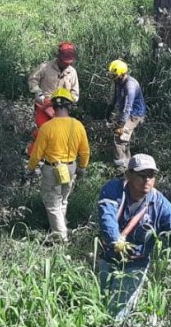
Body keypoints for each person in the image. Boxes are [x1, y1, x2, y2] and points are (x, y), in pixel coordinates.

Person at [98, 154, 171, 321]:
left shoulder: (160, 204)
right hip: (108, 256)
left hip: (136, 264)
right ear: (129, 175)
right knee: (100, 300)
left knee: (118, 310)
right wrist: (116, 241)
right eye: (142, 175)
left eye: (151, 175)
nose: (147, 180)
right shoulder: (114, 190)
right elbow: (107, 218)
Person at [27, 87, 90, 243]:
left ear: (53, 106)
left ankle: (61, 238)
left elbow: (37, 153)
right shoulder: (78, 125)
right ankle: (61, 227)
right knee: (63, 199)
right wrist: (82, 167)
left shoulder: (47, 128)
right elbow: (85, 151)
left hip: (51, 169)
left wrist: (30, 168)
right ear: (69, 106)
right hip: (71, 167)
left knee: (52, 202)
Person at [26, 42, 80, 156]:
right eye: (64, 63)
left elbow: (75, 93)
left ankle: (52, 156)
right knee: (42, 131)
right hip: (44, 104)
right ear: (58, 57)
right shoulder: (45, 67)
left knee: (59, 133)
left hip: (62, 107)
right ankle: (31, 154)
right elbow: (32, 80)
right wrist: (38, 92)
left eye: (68, 64)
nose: (66, 65)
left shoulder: (72, 72)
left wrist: (69, 100)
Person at [105, 59, 147, 169]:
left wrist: (121, 124)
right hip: (126, 112)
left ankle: (120, 168)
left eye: (115, 75)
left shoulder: (130, 86)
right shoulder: (118, 82)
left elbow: (128, 107)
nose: (113, 78)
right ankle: (129, 165)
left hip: (135, 115)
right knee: (125, 140)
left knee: (119, 138)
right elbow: (115, 98)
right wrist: (108, 111)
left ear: (123, 74)